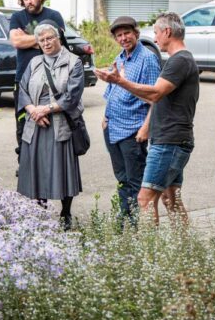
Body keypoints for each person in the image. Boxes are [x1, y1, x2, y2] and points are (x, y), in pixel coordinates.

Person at [95, 12, 199, 225]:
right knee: (171, 199)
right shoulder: (177, 60)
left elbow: (154, 94)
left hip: (170, 141)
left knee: (145, 198)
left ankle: (150, 254)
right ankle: (184, 250)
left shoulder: (179, 60)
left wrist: (120, 81)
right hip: (170, 139)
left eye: (156, 33)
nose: (155, 38)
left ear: (167, 32)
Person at [17, 22, 84, 229]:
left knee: (62, 170)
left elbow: (72, 96)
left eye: (49, 38)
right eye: (42, 40)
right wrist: (33, 111)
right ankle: (39, 212)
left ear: (58, 38)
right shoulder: (35, 62)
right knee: (36, 169)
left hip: (59, 122)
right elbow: (22, 89)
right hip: (36, 123)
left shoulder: (74, 62)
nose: (46, 43)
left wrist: (45, 110)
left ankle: (65, 213)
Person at [102, 16, 161, 220]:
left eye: (127, 33)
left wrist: (146, 128)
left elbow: (155, 97)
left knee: (136, 180)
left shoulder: (147, 58)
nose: (123, 38)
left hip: (133, 129)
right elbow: (112, 90)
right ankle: (124, 220)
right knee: (121, 178)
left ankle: (136, 225)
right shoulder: (120, 58)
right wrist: (105, 117)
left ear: (136, 33)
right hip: (113, 128)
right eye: (119, 35)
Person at [10, 0, 66, 168]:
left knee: (51, 119)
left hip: (52, 78)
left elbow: (59, 42)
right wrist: (43, 38)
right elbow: (16, 41)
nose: (29, 2)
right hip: (24, 78)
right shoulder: (18, 17)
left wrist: (31, 40)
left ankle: (49, 162)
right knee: (22, 122)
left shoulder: (53, 15)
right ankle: (24, 162)